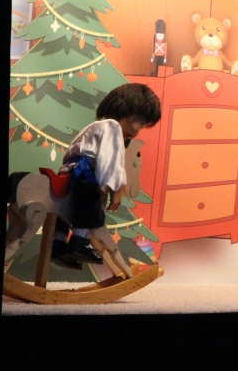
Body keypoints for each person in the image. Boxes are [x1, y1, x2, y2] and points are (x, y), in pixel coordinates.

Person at [52, 83, 162, 268]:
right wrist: (116, 189)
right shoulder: (113, 127)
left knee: (64, 209)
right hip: (83, 172)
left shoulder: (95, 126)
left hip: (69, 171)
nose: (141, 128)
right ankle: (79, 241)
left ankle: (58, 243)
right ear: (129, 112)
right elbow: (111, 160)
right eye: (142, 122)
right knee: (91, 200)